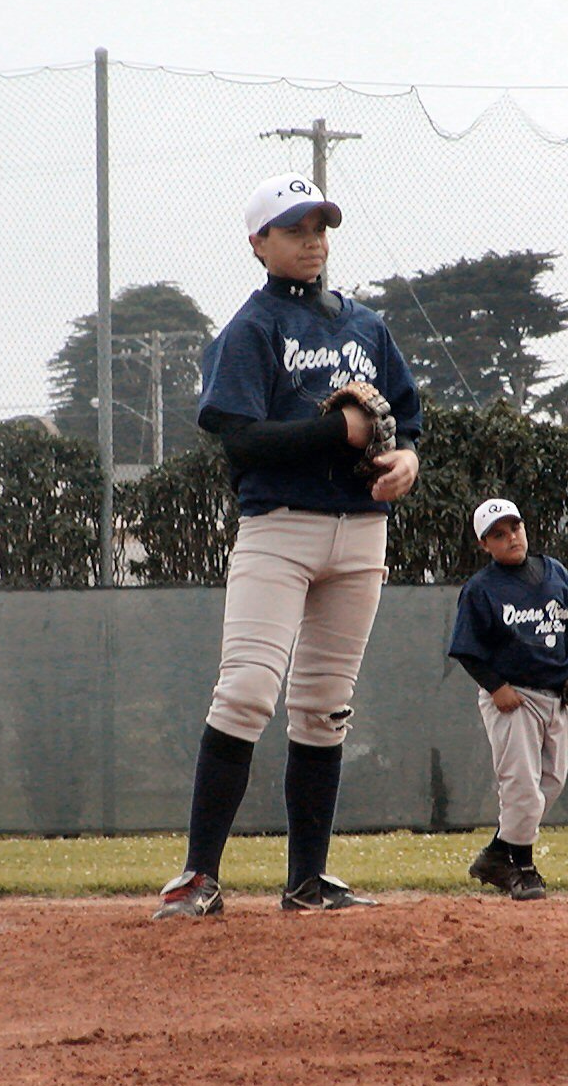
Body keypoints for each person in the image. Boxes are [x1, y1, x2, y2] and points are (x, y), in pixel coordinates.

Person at [153, 172, 422, 919]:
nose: (312, 241)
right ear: (258, 242)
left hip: (362, 531)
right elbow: (242, 442)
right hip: (279, 529)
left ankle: (308, 881)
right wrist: (339, 431)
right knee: (245, 692)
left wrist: (407, 459)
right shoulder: (251, 330)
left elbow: (406, 420)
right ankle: (198, 877)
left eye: (320, 228)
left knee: (326, 707)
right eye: (295, 229)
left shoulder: (367, 327)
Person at [447, 498, 568, 900]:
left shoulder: (556, 574)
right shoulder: (481, 589)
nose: (511, 537)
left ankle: (497, 854)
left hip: (557, 697)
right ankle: (523, 868)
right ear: (485, 544)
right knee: (521, 786)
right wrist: (496, 687)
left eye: (514, 528)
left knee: (551, 783)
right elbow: (466, 649)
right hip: (513, 697)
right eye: (498, 534)